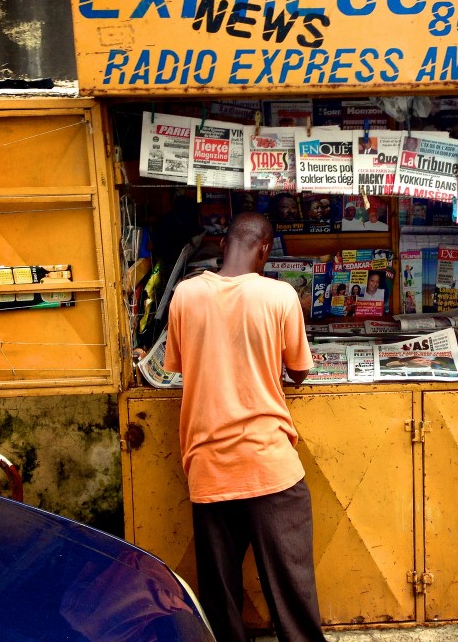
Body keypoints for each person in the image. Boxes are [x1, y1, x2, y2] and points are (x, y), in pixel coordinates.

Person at [164, 211, 326, 642]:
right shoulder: (280, 296)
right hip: (269, 465)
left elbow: (179, 366)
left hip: (208, 469)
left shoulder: (185, 294)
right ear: (266, 250)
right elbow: (299, 371)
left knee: (220, 602)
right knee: (293, 595)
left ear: (222, 245)